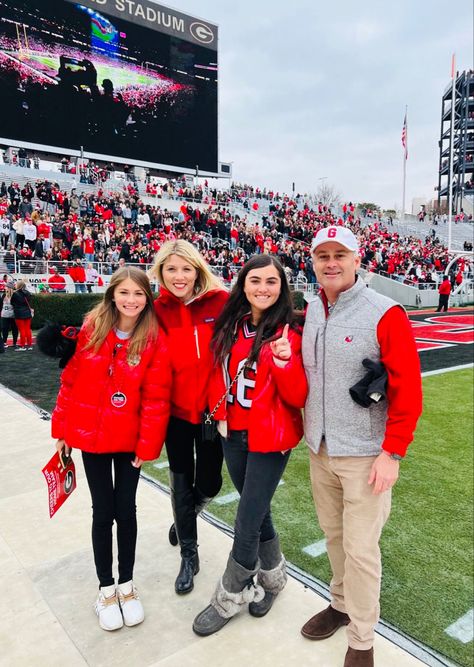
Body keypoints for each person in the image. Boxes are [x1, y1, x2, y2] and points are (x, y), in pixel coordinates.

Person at [300, 226, 422, 667]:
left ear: (357, 258)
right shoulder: (313, 308)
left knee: (361, 550)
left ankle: (363, 639)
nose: (331, 263)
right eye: (322, 255)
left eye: (340, 254)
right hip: (320, 448)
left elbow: (408, 389)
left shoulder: (384, 312)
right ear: (313, 261)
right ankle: (340, 603)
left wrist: (393, 452)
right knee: (334, 537)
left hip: (367, 455)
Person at [192, 254, 308, 636]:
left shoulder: (290, 331)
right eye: (255, 280)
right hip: (233, 433)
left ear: (282, 287)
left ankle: (228, 596)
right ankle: (273, 580)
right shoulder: (232, 325)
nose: (262, 288)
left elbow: (297, 397)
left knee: (245, 521)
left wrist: (288, 363)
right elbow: (215, 375)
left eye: (271, 282)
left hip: (269, 438)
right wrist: (215, 411)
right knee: (258, 514)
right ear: (243, 284)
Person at [51, 267, 171, 632]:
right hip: (91, 438)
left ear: (147, 298)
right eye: (125, 293)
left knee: (126, 510)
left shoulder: (153, 338)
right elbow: (70, 382)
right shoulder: (92, 329)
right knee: (102, 511)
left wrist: (147, 444)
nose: (131, 300)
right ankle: (106, 589)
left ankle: (128, 586)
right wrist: (62, 431)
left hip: (130, 440)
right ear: (112, 294)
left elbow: (156, 397)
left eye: (138, 294)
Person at [150, 240, 228, 595]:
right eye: (171, 269)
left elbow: (264, 318)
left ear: (198, 270)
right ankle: (189, 554)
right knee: (180, 481)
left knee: (210, 483)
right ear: (161, 272)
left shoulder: (220, 303)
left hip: (211, 414)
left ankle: (187, 515)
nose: (179, 277)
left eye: (186, 268)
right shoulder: (156, 310)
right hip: (175, 415)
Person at [11, 280, 34, 351]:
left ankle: (22, 346)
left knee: (22, 330)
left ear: (18, 285)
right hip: (27, 313)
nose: (15, 285)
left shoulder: (15, 293)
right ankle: (29, 345)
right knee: (28, 329)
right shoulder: (27, 293)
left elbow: (12, 303)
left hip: (19, 313)